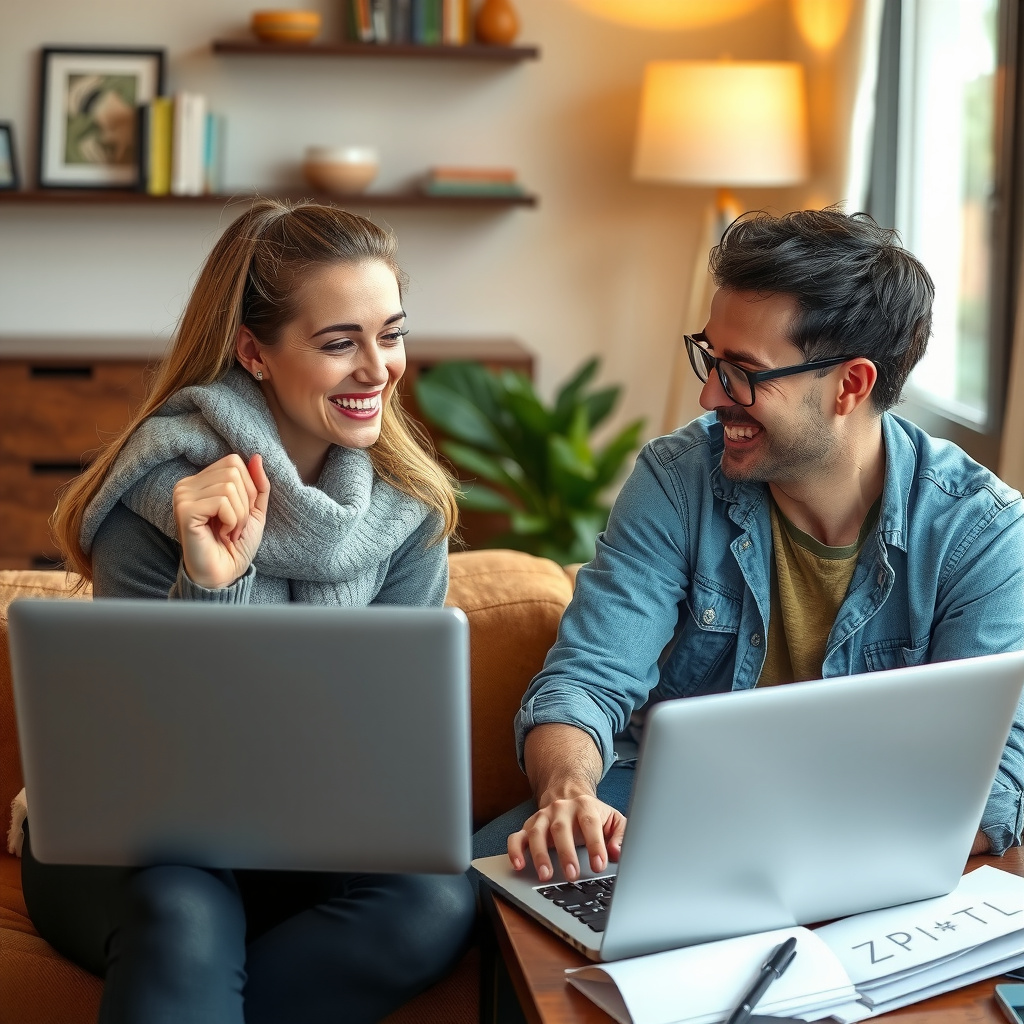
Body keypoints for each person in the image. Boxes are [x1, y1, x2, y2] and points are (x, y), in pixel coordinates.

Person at [18, 198, 476, 1024]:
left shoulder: (407, 511)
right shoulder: (160, 496)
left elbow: (396, 750)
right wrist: (210, 579)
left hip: (320, 836)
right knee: (188, 917)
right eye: (340, 342)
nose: (379, 368)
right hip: (142, 840)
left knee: (436, 907)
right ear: (254, 352)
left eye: (392, 333)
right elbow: (146, 747)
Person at [473, 207, 1024, 884]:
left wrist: (782, 863)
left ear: (851, 385)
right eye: (710, 357)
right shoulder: (676, 482)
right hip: (657, 800)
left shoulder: (981, 536)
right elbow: (585, 682)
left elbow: (992, 784)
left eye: (743, 372)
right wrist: (569, 793)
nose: (709, 394)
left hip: (860, 837)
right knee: (455, 894)